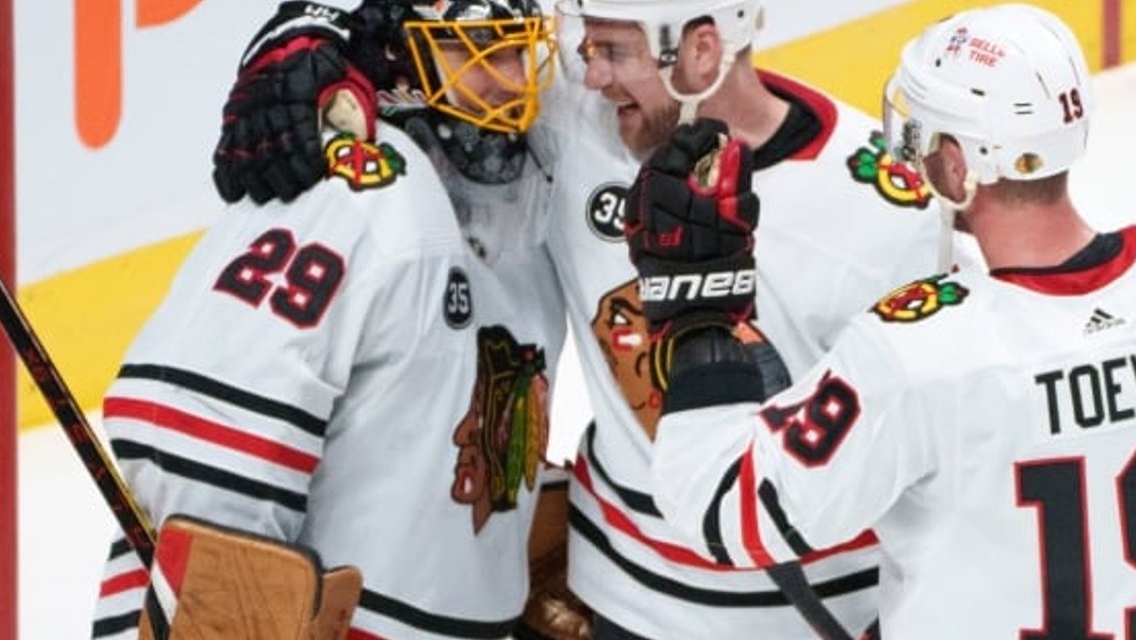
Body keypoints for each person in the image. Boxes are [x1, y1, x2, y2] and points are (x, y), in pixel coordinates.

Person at [626, 4, 1136, 638]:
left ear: (959, 166)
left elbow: (725, 512)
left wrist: (697, 311)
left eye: (919, 134)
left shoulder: (916, 350)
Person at [208, 0, 955, 637]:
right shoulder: (575, 117)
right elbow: (438, 30)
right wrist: (305, 38)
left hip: (816, 616)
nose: (590, 73)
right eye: (588, 47)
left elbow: (934, 457)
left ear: (701, 49)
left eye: (615, 52)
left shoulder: (882, 214)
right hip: (613, 598)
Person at [89, 2, 575, 638]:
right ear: (404, 59)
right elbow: (197, 430)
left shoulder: (530, 213)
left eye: (517, 48)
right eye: (476, 48)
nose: (509, 77)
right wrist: (238, 611)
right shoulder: (359, 193)